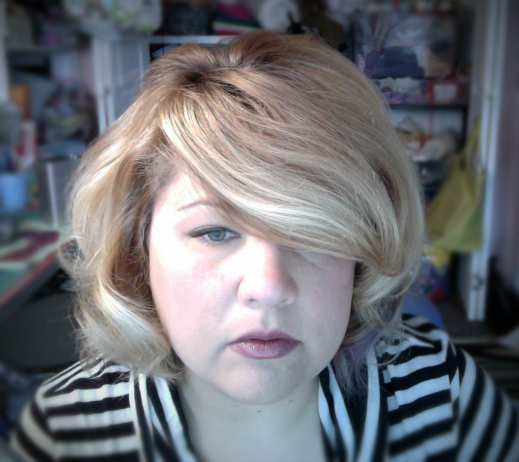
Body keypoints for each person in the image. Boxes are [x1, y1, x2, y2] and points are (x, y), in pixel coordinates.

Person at [8, 30, 519, 462]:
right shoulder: (63, 433)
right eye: (215, 232)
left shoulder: (445, 394)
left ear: (360, 256)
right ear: (137, 252)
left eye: (311, 231)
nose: (269, 287)